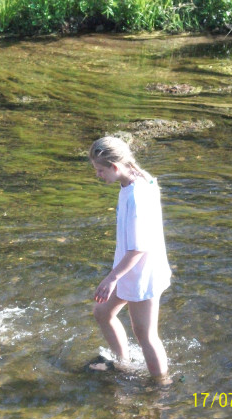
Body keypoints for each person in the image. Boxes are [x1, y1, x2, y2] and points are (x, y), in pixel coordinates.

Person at [88, 136, 171, 378]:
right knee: (102, 313)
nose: (98, 175)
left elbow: (138, 248)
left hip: (142, 273)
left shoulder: (136, 196)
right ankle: (123, 364)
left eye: (100, 170)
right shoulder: (139, 177)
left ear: (115, 166)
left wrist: (111, 279)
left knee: (145, 335)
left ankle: (161, 385)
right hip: (130, 269)